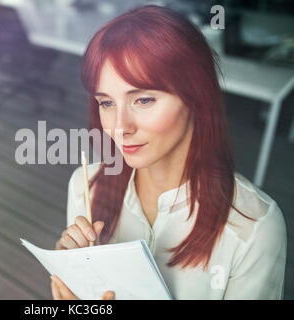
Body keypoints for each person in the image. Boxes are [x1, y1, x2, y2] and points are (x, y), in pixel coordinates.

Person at [50, 5, 287, 300]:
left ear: (196, 98)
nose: (120, 127)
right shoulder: (84, 187)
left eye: (144, 100)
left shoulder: (254, 229)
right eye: (107, 103)